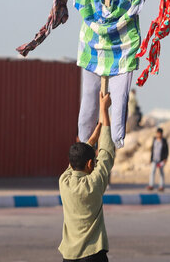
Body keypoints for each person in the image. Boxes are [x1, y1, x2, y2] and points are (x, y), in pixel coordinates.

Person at [59, 93, 113, 262]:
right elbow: (107, 153)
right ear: (90, 164)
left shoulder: (64, 181)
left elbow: (96, 155)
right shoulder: (94, 183)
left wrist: (91, 139)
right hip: (93, 254)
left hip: (69, 255)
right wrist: (104, 110)